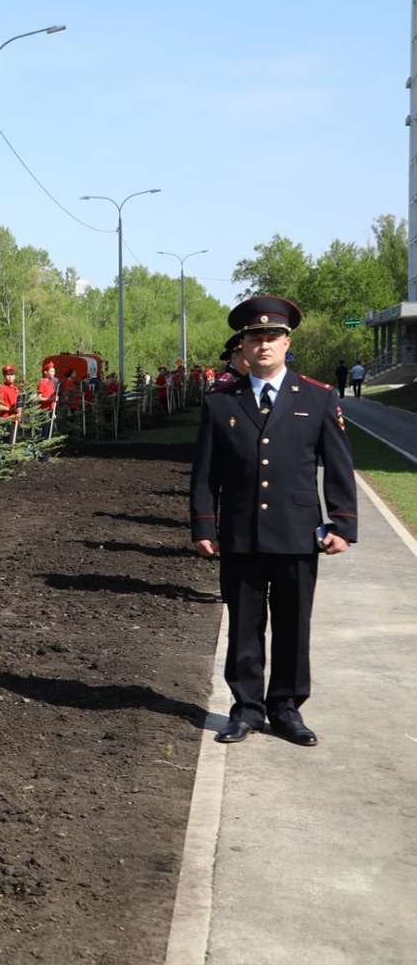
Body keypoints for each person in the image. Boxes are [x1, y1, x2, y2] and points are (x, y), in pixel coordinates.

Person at [190, 295, 357, 747]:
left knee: (293, 625)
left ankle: (286, 708)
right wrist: (204, 526)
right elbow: (204, 473)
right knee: (244, 625)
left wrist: (342, 523)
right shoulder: (220, 402)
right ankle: (246, 709)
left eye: (273, 336)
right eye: (255, 337)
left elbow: (339, 465)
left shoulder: (319, 397)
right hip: (240, 532)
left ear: (287, 343)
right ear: (243, 346)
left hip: (297, 531)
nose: (263, 344)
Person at [0, 365, 21, 443]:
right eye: (7, 375)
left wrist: (19, 411)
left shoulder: (16, 389)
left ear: (14, 376)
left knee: (14, 443)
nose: (10, 377)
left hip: (16, 419)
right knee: (9, 443)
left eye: (11, 374)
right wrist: (12, 410)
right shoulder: (2, 388)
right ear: (4, 377)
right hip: (7, 420)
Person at [36, 361, 58, 439]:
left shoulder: (51, 383)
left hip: (51, 409)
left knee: (51, 431)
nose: (53, 373)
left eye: (54, 371)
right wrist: (50, 399)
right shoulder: (42, 383)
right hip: (44, 410)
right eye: (51, 371)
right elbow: (38, 398)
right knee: (46, 431)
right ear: (45, 372)